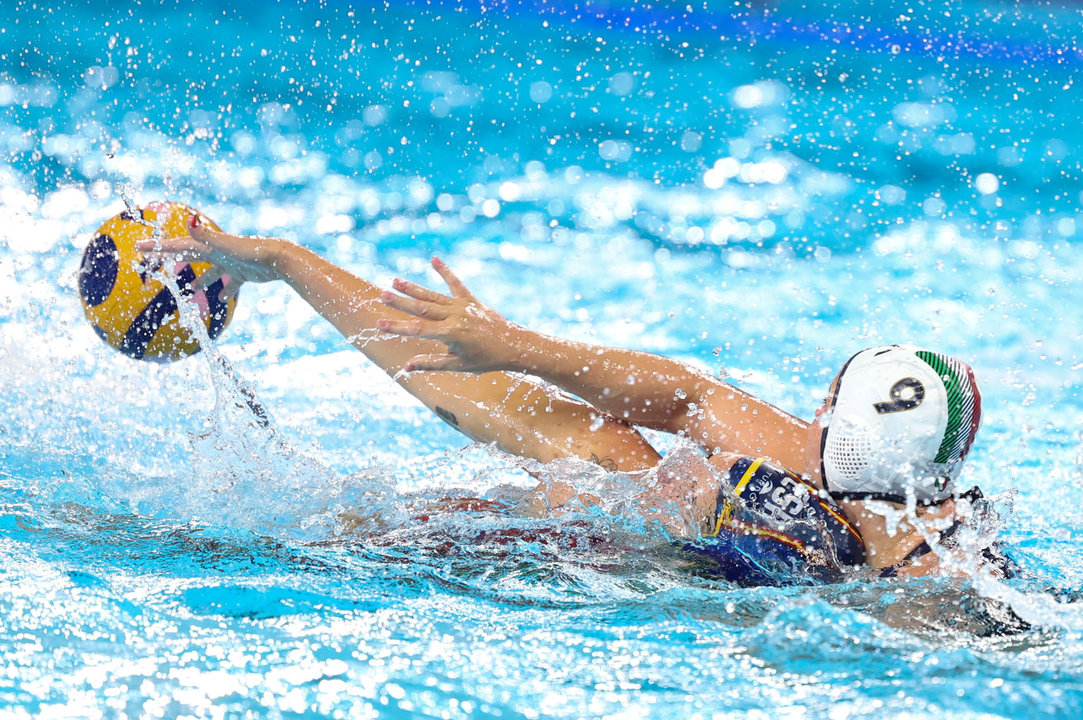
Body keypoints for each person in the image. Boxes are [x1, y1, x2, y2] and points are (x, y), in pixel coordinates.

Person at [137, 214, 1007, 585]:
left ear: (836, 422)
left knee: (598, 479)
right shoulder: (941, 528)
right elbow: (682, 398)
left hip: (616, 578)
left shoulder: (780, 509)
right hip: (681, 564)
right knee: (610, 454)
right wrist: (505, 346)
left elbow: (670, 423)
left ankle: (216, 540)